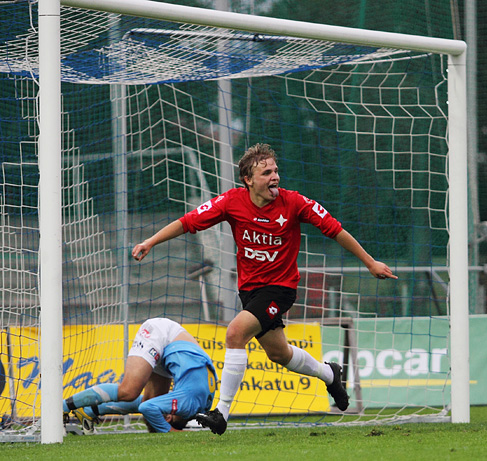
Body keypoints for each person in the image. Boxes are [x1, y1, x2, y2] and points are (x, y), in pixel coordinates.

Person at [132, 143, 397, 435]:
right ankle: (329, 373)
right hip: (250, 291)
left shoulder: (295, 203)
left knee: (235, 333)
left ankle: (221, 413)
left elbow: (335, 229)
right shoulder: (231, 202)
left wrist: (370, 263)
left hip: (280, 289)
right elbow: (188, 222)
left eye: (276, 170)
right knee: (279, 354)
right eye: (266, 172)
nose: (275, 177)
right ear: (249, 179)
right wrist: (150, 241)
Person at [63, 318, 217, 433]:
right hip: (163, 334)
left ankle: (89, 411)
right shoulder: (185, 404)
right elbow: (147, 409)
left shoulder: (201, 406)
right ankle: (62, 407)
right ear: (169, 417)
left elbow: (147, 406)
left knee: (149, 401)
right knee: (129, 391)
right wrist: (171, 432)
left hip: (175, 351)